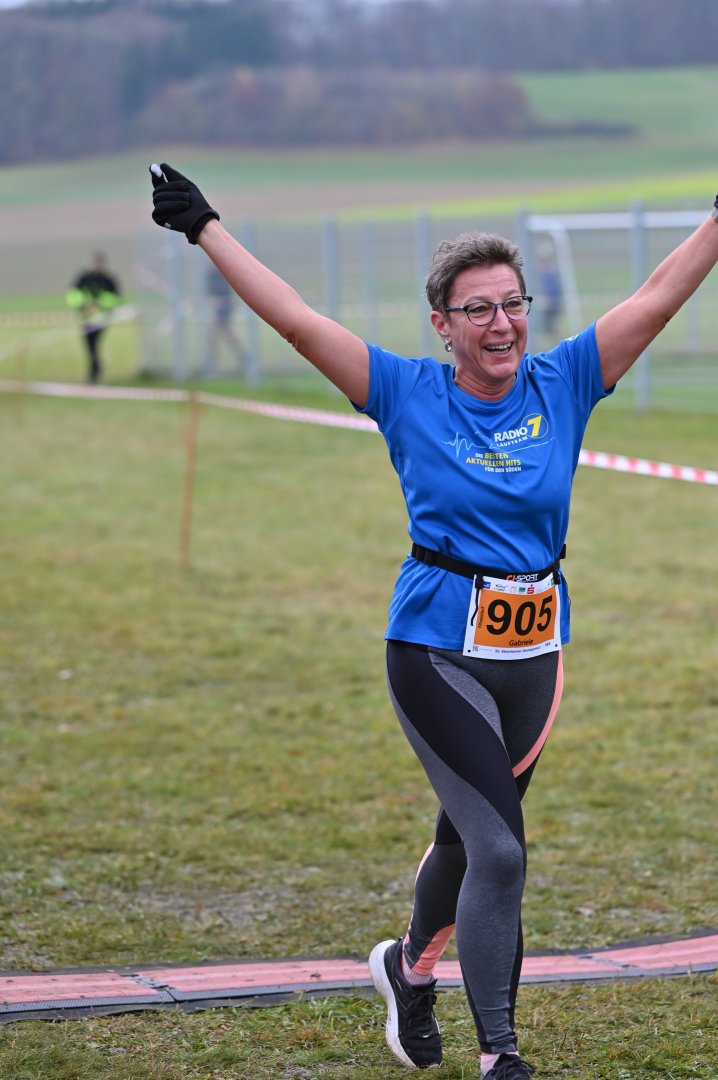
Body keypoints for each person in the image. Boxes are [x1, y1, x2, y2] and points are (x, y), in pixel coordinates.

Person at [149, 162, 718, 1079]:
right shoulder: (406, 391)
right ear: (442, 325)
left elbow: (656, 299)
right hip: (434, 649)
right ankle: (501, 1054)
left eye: (512, 304)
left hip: (535, 655)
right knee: (500, 847)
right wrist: (206, 227)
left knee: (465, 839)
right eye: (477, 309)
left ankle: (408, 970)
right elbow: (297, 321)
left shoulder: (566, 380)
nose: (501, 324)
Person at [66, 252, 122, 384]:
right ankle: (96, 368)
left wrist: (99, 304)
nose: (96, 265)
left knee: (94, 344)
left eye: (99, 263)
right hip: (86, 319)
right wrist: (84, 305)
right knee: (89, 346)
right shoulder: (84, 278)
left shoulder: (108, 279)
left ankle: (94, 372)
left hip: (102, 319)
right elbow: (73, 294)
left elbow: (115, 297)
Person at [205, 261, 247, 375]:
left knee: (215, 333)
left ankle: (212, 362)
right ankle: (244, 357)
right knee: (225, 333)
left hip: (224, 307)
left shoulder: (220, 270)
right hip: (221, 307)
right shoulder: (213, 272)